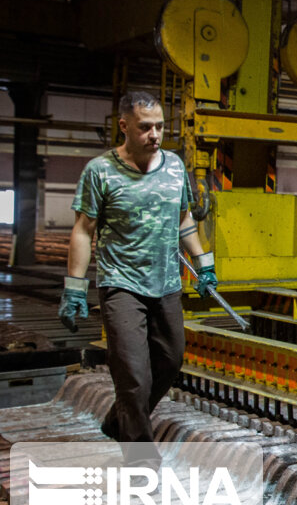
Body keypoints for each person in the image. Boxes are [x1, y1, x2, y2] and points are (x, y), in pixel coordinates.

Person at [60, 91, 217, 464]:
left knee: (171, 361)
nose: (155, 134)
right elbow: (83, 230)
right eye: (145, 127)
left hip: (165, 284)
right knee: (132, 375)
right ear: (124, 126)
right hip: (120, 285)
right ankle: (141, 458)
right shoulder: (100, 171)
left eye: (160, 126)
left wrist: (205, 263)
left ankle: (119, 419)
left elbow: (184, 219)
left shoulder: (175, 166)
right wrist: (74, 288)